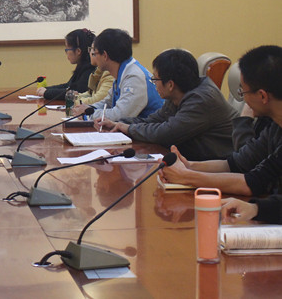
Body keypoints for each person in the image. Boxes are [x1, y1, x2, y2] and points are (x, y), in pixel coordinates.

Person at [161, 45, 282, 196]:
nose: (244, 100)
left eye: (242, 92)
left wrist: (186, 177)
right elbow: (236, 163)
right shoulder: (274, 126)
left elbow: (253, 183)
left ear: (262, 96)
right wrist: (189, 166)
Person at [97, 49, 237, 161]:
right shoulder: (178, 93)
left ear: (170, 84)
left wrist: (129, 129)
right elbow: (154, 120)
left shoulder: (201, 100)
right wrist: (119, 123)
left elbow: (166, 133)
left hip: (219, 167)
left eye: (155, 79)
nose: (154, 83)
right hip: (195, 160)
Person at [73, 28, 163, 121]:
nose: (94, 57)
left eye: (95, 53)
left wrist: (89, 114)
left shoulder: (134, 77)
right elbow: (108, 103)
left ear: (105, 55)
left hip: (149, 128)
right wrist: (88, 108)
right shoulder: (122, 71)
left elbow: (120, 116)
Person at [37, 28, 96, 100]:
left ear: (78, 51)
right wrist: (46, 89)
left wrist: (47, 93)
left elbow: (77, 92)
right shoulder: (82, 65)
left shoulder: (90, 69)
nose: (66, 53)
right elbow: (69, 86)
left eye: (67, 49)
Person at [75, 39, 114, 106]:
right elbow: (90, 93)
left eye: (91, 49)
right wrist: (75, 97)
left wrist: (73, 101)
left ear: (104, 54)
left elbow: (96, 101)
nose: (90, 53)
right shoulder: (99, 71)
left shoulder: (110, 75)